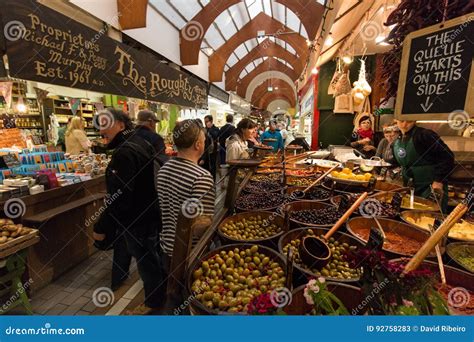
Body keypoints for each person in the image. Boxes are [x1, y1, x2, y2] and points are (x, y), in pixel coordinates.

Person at [93, 108, 164, 313]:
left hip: (137, 219)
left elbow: (120, 197)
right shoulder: (137, 142)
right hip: (150, 214)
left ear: (121, 125)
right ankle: (158, 296)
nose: (101, 130)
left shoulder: (125, 151)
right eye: (98, 125)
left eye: (105, 124)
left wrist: (101, 225)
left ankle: (154, 304)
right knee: (152, 258)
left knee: (146, 262)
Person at [157, 119, 215, 288]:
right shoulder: (201, 177)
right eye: (204, 141)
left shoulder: (163, 169)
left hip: (167, 248)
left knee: (174, 294)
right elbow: (200, 226)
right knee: (187, 300)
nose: (204, 144)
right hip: (189, 253)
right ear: (198, 145)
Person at [392, 120, 454, 212]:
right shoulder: (398, 139)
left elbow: (448, 157)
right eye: (401, 121)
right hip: (411, 187)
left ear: (415, 120)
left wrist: (438, 181)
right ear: (395, 120)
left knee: (429, 219)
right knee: (411, 217)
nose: (404, 124)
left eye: (408, 121)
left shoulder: (425, 135)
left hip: (430, 187)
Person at [204, 115, 220, 180]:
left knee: (213, 167)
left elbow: (216, 136)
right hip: (205, 152)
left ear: (211, 121)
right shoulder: (204, 129)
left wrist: (210, 129)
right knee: (206, 167)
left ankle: (213, 181)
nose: (206, 123)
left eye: (207, 121)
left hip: (213, 151)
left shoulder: (215, 129)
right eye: (205, 121)